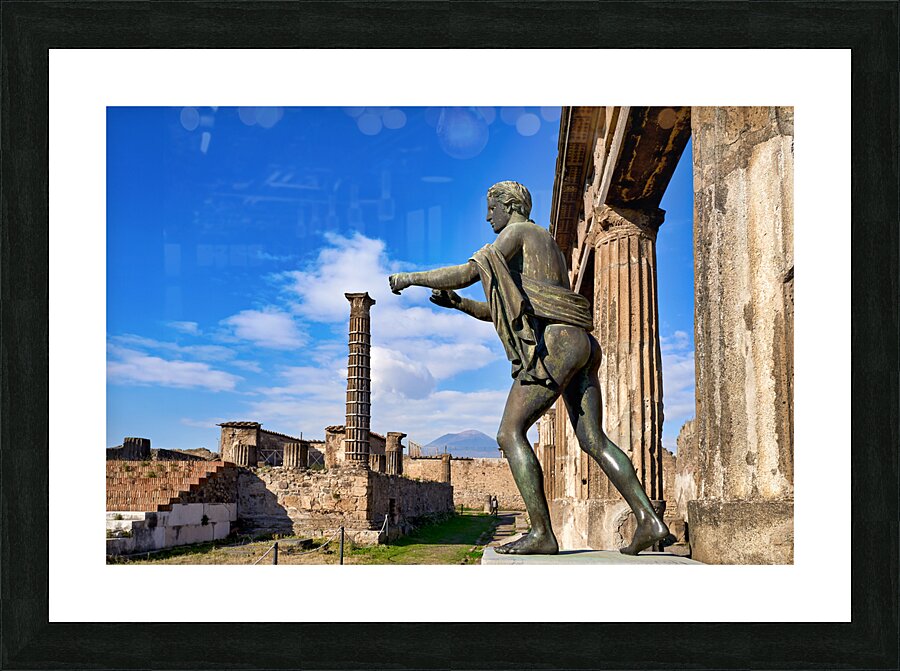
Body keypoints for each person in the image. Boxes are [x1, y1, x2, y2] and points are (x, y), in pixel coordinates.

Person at [389, 181, 670, 555]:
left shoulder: (518, 232)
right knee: (592, 440)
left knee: (509, 433)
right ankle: (649, 519)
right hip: (582, 344)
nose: (488, 216)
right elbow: (506, 310)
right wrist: (459, 305)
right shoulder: (547, 244)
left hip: (556, 344)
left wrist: (411, 278)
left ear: (509, 205)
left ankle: (541, 533)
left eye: (491, 208)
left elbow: (465, 273)